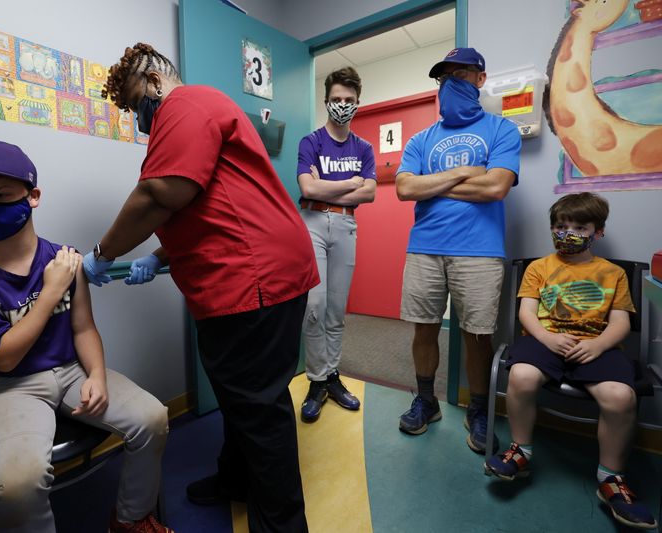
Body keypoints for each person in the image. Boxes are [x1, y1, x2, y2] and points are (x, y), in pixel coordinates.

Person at [82, 43, 319, 533]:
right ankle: (235, 478)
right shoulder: (205, 110)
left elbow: (159, 195)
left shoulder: (183, 104)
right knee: (242, 399)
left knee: (258, 408)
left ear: (153, 81)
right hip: (256, 270)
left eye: (134, 102)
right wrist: (159, 254)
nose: (137, 117)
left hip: (252, 278)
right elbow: (210, 205)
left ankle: (282, 526)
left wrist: (103, 253)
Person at [0, 138, 171, 533]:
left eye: (1, 195)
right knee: (16, 486)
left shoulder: (63, 258)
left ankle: (131, 520)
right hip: (8, 387)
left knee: (153, 418)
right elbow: (4, 359)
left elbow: (84, 328)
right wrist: (50, 290)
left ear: (33, 196)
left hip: (72, 372)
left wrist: (95, 375)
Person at [484, 193, 657, 530]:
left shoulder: (612, 273)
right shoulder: (539, 268)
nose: (568, 233)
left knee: (621, 397)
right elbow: (527, 312)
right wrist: (547, 338)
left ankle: (610, 479)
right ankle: (521, 452)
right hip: (543, 340)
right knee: (520, 376)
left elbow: (620, 322)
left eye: (579, 227)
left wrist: (599, 345)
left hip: (596, 345)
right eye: (561, 226)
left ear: (598, 232)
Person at [395, 47, 521, 453]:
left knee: (477, 335)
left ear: (480, 79)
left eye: (460, 74)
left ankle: (479, 409)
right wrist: (465, 173)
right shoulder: (420, 139)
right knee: (424, 328)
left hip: (480, 251)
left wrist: (434, 182)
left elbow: (497, 186)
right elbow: (403, 188)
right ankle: (426, 400)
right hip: (425, 247)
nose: (450, 83)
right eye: (444, 77)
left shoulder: (502, 129)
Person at [296, 66, 376, 423]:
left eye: (349, 100)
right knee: (314, 304)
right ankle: (316, 380)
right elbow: (308, 190)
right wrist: (351, 182)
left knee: (336, 309)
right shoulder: (310, 142)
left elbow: (371, 193)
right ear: (326, 101)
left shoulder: (364, 147)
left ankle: (330, 376)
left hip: (345, 224)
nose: (342, 105)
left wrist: (330, 183)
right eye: (336, 100)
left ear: (357, 103)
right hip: (311, 222)